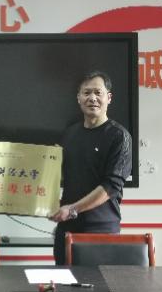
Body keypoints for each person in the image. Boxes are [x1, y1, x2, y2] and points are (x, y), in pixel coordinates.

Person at [50, 71, 132, 265]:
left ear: (108, 98)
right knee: (63, 281)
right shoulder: (70, 134)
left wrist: (72, 209)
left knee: (98, 284)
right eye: (86, 93)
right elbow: (59, 175)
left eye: (98, 92)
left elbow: (110, 186)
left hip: (101, 230)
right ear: (78, 98)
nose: (92, 98)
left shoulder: (119, 136)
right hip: (66, 228)